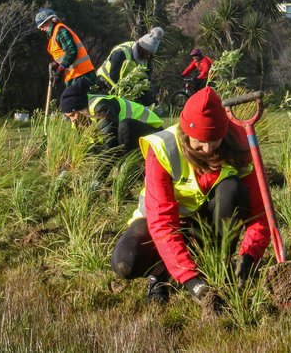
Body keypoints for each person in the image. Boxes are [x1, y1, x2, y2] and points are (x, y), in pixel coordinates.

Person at [111, 87, 270, 305]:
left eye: (215, 140)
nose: (207, 148)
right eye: (199, 141)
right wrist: (190, 280)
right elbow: (162, 223)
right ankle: (160, 272)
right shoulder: (163, 149)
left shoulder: (240, 143)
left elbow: (261, 212)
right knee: (125, 262)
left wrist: (249, 257)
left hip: (206, 224)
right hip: (162, 223)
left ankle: (219, 262)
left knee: (233, 189)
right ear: (186, 133)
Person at [59, 83, 164, 154]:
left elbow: (110, 143)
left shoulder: (101, 107)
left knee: (125, 125)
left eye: (73, 115)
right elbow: (90, 147)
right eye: (69, 117)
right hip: (132, 139)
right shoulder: (79, 121)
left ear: (80, 109)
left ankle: (131, 168)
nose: (72, 120)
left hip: (155, 135)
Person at [96, 27, 164, 106]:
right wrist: (132, 92)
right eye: (147, 53)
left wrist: (151, 101)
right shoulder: (121, 53)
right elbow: (115, 77)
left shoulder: (146, 61)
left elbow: (146, 84)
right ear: (141, 49)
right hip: (105, 85)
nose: (148, 57)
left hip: (124, 90)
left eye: (151, 54)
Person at [34, 8, 98, 90]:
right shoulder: (54, 35)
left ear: (49, 21)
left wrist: (59, 71)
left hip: (82, 75)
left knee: (86, 101)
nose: (41, 29)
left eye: (42, 25)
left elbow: (71, 51)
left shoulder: (60, 31)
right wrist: (57, 64)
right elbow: (64, 55)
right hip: (74, 75)